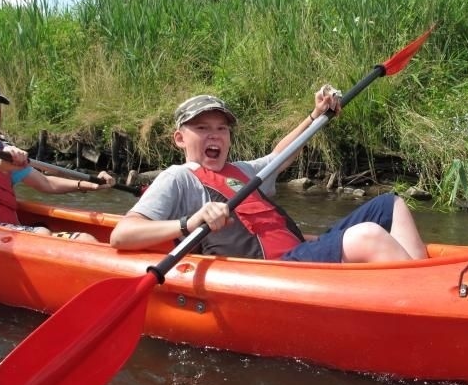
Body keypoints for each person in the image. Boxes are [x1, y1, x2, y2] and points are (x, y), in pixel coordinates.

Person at [110, 90, 428, 262]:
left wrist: (315, 117)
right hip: (273, 270)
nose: (215, 136)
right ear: (180, 138)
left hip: (298, 252)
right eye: (203, 128)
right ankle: (422, 301)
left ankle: (424, 283)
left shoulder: (242, 171)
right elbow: (122, 235)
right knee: (367, 235)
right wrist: (188, 223)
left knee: (389, 204)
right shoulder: (178, 178)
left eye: (222, 129)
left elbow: (281, 155)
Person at [0, 77, 115, 242]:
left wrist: (86, 185)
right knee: (42, 233)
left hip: (3, 230)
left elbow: (45, 183)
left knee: (85, 239)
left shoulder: (1, 148)